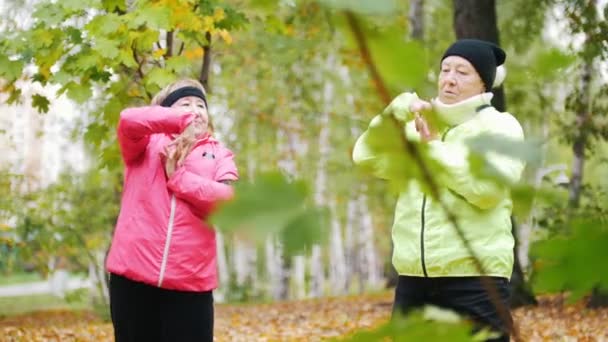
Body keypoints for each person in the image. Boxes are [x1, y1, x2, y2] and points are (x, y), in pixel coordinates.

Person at [352, 39, 525, 341]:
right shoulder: (416, 125)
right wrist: (399, 109)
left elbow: (487, 191)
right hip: (414, 282)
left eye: (462, 72)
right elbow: (365, 157)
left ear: (484, 81)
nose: (450, 79)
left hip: (475, 281)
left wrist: (431, 150)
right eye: (445, 69)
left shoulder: (500, 127)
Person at [106, 78, 238, 342]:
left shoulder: (219, 154)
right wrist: (177, 121)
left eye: (201, 105)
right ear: (166, 111)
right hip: (133, 276)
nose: (195, 109)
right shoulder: (144, 144)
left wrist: (179, 180)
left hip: (191, 280)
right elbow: (127, 120)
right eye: (185, 103)